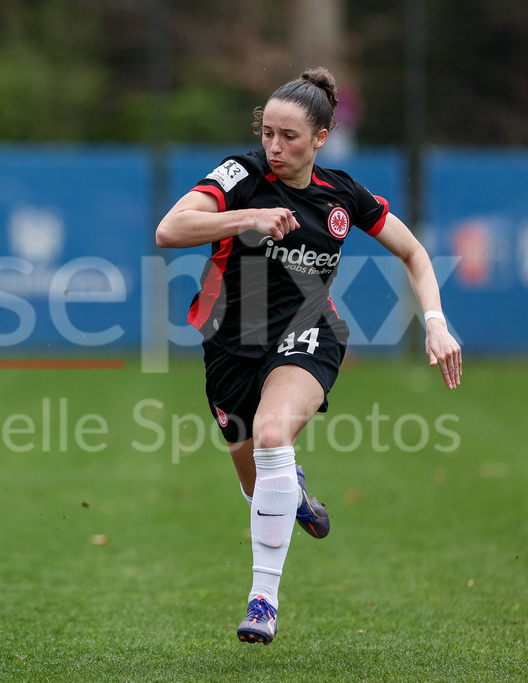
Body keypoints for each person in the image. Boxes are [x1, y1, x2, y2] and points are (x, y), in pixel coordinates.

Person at [155, 67, 461, 645]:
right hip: (230, 341)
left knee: (273, 434)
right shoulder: (240, 175)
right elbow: (170, 230)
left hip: (308, 330)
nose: (274, 146)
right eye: (267, 132)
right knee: (255, 479)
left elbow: (415, 253)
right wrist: (249, 217)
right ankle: (287, 488)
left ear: (321, 137)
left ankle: (262, 602)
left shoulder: (342, 194)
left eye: (289, 136)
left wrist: (436, 324)